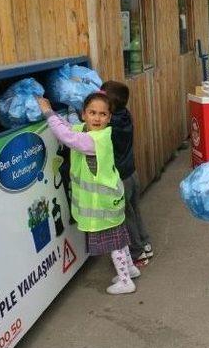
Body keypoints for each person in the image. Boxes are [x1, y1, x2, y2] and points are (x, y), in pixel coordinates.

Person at [38, 93, 136, 295]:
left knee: (114, 243)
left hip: (103, 204)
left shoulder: (97, 139)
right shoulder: (85, 130)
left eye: (102, 114)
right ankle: (130, 269)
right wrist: (57, 116)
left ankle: (125, 281)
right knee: (119, 237)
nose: (97, 118)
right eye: (92, 113)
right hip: (110, 200)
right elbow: (68, 128)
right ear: (84, 114)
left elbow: (67, 137)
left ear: (109, 118)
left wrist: (47, 112)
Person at [101, 80, 152, 266]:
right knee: (135, 210)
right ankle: (145, 244)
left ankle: (137, 253)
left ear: (110, 106)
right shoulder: (125, 115)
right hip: (132, 173)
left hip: (120, 178)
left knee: (126, 216)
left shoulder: (109, 126)